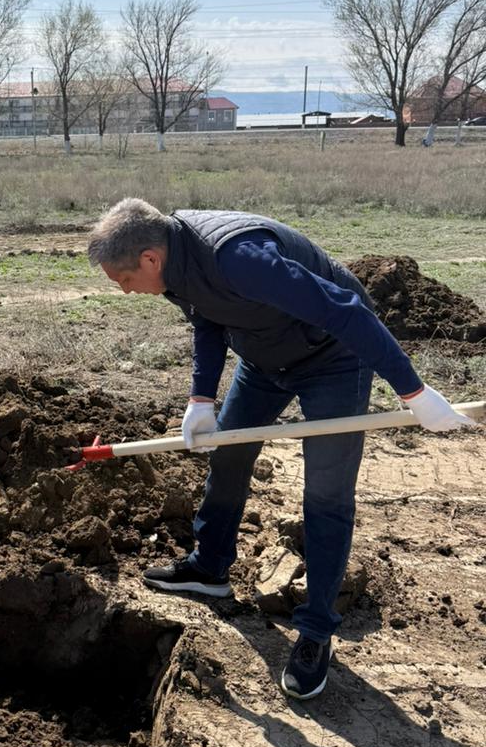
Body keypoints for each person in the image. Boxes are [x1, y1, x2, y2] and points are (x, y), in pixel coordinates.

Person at [87, 198, 472, 702]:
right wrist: (201, 397)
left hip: (332, 358)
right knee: (227, 453)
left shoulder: (238, 256)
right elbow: (207, 316)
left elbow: (346, 311)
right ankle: (210, 567)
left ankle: (316, 631)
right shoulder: (174, 264)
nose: (125, 290)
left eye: (123, 279)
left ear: (149, 259)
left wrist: (415, 394)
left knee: (326, 494)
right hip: (264, 360)